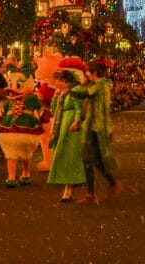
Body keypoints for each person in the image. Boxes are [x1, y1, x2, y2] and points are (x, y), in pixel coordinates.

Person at [78, 60, 121, 205]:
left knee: (93, 159)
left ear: (95, 72)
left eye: (88, 71)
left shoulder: (101, 85)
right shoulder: (97, 85)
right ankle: (94, 191)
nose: (86, 74)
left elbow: (85, 93)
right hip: (92, 126)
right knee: (89, 159)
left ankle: (110, 184)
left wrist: (72, 86)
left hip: (97, 127)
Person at [47, 67, 87, 202]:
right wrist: (55, 97)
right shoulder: (62, 93)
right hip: (61, 125)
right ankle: (70, 185)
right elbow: (54, 110)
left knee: (69, 156)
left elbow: (79, 109)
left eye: (56, 80)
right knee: (64, 155)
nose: (54, 82)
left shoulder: (75, 91)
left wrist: (76, 122)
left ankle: (68, 190)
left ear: (63, 80)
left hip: (70, 127)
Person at [0, 81, 45, 187]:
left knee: (11, 155)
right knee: (26, 153)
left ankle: (11, 177)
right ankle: (25, 174)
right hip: (28, 130)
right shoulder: (33, 98)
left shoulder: (8, 102)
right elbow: (42, 112)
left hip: (8, 130)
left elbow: (0, 114)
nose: (11, 95)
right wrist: (44, 121)